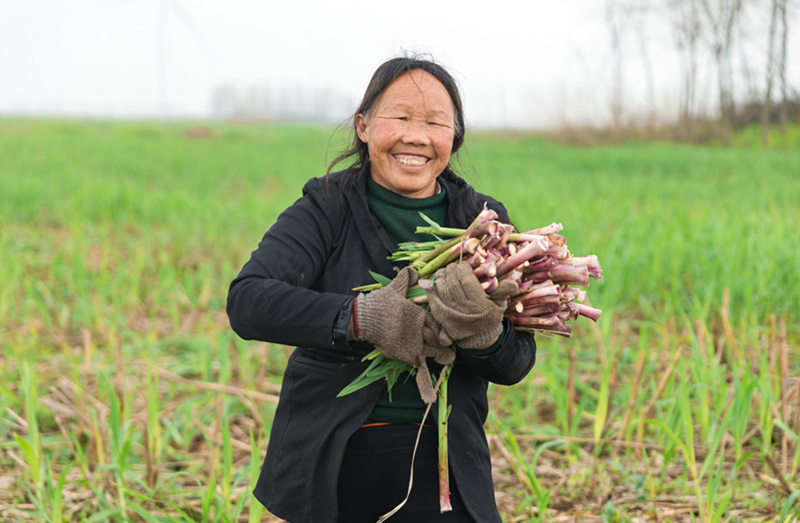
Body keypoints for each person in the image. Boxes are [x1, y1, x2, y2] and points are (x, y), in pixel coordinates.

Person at [226, 55, 537, 522]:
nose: (417, 135)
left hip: (443, 458)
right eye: (401, 117)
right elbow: (248, 301)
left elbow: (516, 363)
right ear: (364, 126)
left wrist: (483, 333)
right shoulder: (327, 207)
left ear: (454, 137)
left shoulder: (482, 223)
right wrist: (361, 317)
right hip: (336, 453)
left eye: (436, 121)